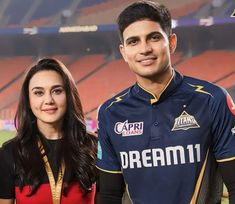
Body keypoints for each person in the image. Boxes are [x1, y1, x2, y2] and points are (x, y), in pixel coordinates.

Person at [96, 1, 235, 204]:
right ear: (124, 52)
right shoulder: (110, 112)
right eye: (133, 41)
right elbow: (109, 195)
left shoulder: (211, 99)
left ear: (171, 42)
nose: (144, 49)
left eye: (153, 38)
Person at [0, 58, 97, 204]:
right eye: (39, 93)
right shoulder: (10, 153)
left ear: (69, 95)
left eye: (57, 91)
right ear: (29, 100)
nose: (49, 100)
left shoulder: (94, 147)